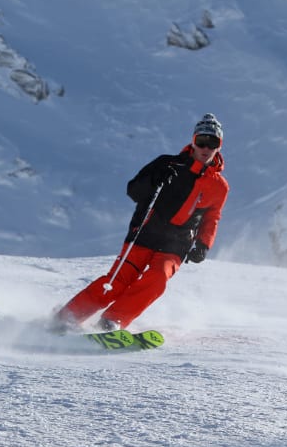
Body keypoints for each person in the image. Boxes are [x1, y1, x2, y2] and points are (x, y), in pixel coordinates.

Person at [52, 113, 229, 332]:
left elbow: (212, 218)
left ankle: (111, 322)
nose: (206, 147)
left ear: (219, 147)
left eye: (213, 143)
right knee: (116, 283)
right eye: (201, 141)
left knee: (156, 281)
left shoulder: (219, 186)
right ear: (193, 141)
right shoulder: (167, 163)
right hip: (145, 234)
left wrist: (203, 244)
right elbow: (133, 190)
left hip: (176, 243)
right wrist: (155, 179)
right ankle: (66, 318)